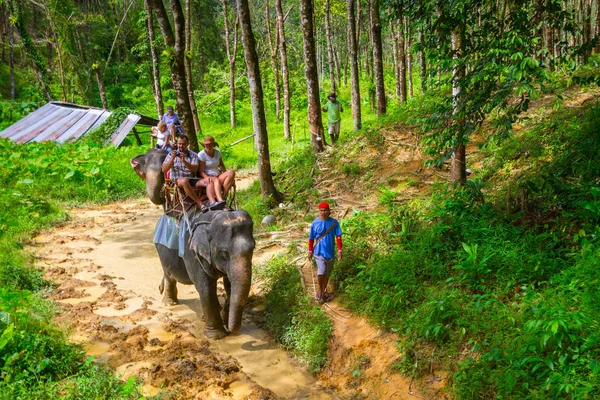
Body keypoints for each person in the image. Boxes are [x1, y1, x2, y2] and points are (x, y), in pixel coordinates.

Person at [161, 135, 219, 212]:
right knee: (184, 181)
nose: (181, 146)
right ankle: (200, 204)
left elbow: (194, 169)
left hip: (191, 179)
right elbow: (164, 170)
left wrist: (184, 161)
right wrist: (172, 159)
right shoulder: (171, 154)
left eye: (183, 144)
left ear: (188, 144)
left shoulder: (193, 155)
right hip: (176, 181)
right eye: (179, 144)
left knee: (208, 181)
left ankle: (213, 202)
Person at [308, 201, 343, 303]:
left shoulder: (334, 223)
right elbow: (311, 238)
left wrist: (340, 250)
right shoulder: (315, 223)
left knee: (327, 273)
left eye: (325, 210)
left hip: (330, 252)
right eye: (321, 211)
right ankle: (320, 290)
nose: (323, 212)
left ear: (329, 211)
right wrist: (310, 250)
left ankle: (322, 290)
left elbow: (339, 237)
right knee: (321, 271)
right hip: (318, 252)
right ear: (319, 211)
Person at [198, 135, 236, 210]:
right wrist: (207, 178)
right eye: (207, 145)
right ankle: (220, 201)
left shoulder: (217, 152)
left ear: (213, 145)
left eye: (210, 144)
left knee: (231, 172)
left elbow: (221, 164)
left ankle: (224, 196)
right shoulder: (201, 154)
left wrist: (225, 172)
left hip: (218, 174)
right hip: (209, 176)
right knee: (216, 180)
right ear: (204, 145)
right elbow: (201, 171)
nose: (208, 146)